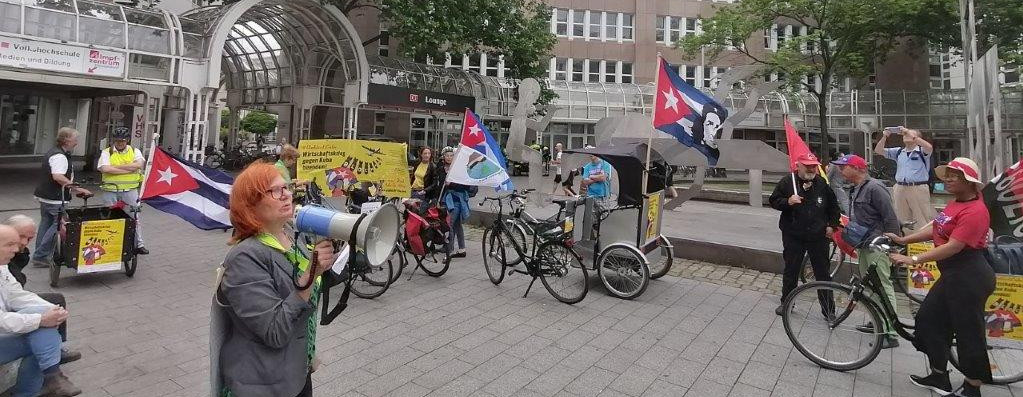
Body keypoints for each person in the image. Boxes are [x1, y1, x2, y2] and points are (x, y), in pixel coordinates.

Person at [216, 163, 338, 397]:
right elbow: (274, 331)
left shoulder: (292, 237)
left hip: (295, 374)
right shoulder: (245, 257)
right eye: (275, 191)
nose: (287, 195)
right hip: (263, 383)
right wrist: (310, 275)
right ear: (250, 204)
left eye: (287, 188)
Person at [887, 158, 995, 397]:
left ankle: (972, 387)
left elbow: (953, 246)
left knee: (968, 332)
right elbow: (937, 226)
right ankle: (939, 375)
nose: (947, 179)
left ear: (969, 182)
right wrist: (905, 239)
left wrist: (913, 260)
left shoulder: (975, 210)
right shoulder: (956, 203)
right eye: (947, 174)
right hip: (953, 274)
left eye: (954, 176)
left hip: (970, 275)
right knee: (928, 320)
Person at [0, 225, 82, 397]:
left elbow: (17, 295)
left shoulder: (2, 266)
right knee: (39, 341)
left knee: (42, 328)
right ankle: (47, 380)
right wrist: (40, 320)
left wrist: (50, 310)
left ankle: (50, 378)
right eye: (9, 244)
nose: (16, 249)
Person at [832, 154, 901, 349]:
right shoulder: (857, 188)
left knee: (883, 287)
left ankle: (890, 332)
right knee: (871, 287)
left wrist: (891, 245)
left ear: (857, 168)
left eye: (843, 167)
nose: (840, 170)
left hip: (876, 245)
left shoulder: (874, 188)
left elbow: (890, 218)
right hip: (864, 244)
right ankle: (878, 321)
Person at [769, 153, 842, 316]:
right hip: (793, 234)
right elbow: (773, 201)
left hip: (818, 236)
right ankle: (787, 303)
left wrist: (832, 225)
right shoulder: (788, 182)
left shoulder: (822, 183)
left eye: (814, 166)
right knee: (791, 270)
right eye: (807, 166)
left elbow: (833, 207)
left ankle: (828, 310)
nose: (811, 169)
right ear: (798, 165)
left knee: (822, 273)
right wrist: (788, 202)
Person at [31, 128, 91, 269]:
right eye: (75, 139)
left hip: (46, 196)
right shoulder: (59, 156)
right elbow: (58, 177)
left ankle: (41, 254)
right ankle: (40, 256)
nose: (76, 142)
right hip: (55, 197)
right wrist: (77, 188)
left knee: (46, 223)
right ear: (66, 140)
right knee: (58, 225)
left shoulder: (55, 152)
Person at [97, 128, 148, 255]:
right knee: (108, 218)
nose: (120, 143)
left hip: (130, 191)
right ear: (113, 140)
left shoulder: (135, 151)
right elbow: (104, 168)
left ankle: (139, 244)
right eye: (117, 140)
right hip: (110, 190)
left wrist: (114, 168)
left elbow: (138, 165)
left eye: (123, 141)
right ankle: (108, 245)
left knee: (134, 217)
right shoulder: (106, 152)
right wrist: (128, 168)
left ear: (128, 140)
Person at [874, 126, 934, 230]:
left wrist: (907, 131)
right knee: (902, 217)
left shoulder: (921, 151)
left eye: (908, 134)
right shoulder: (899, 151)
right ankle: (907, 240)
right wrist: (884, 137)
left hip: (917, 187)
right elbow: (879, 150)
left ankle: (924, 241)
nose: (905, 135)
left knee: (922, 216)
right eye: (904, 134)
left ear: (917, 137)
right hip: (900, 187)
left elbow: (929, 147)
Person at [433, 147, 475, 258]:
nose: (449, 157)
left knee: (449, 224)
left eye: (451, 155)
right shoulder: (442, 168)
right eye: (447, 155)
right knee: (457, 225)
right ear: (443, 157)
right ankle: (462, 249)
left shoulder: (459, 169)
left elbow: (465, 185)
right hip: (447, 198)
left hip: (457, 199)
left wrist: (451, 184)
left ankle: (449, 249)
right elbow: (440, 185)